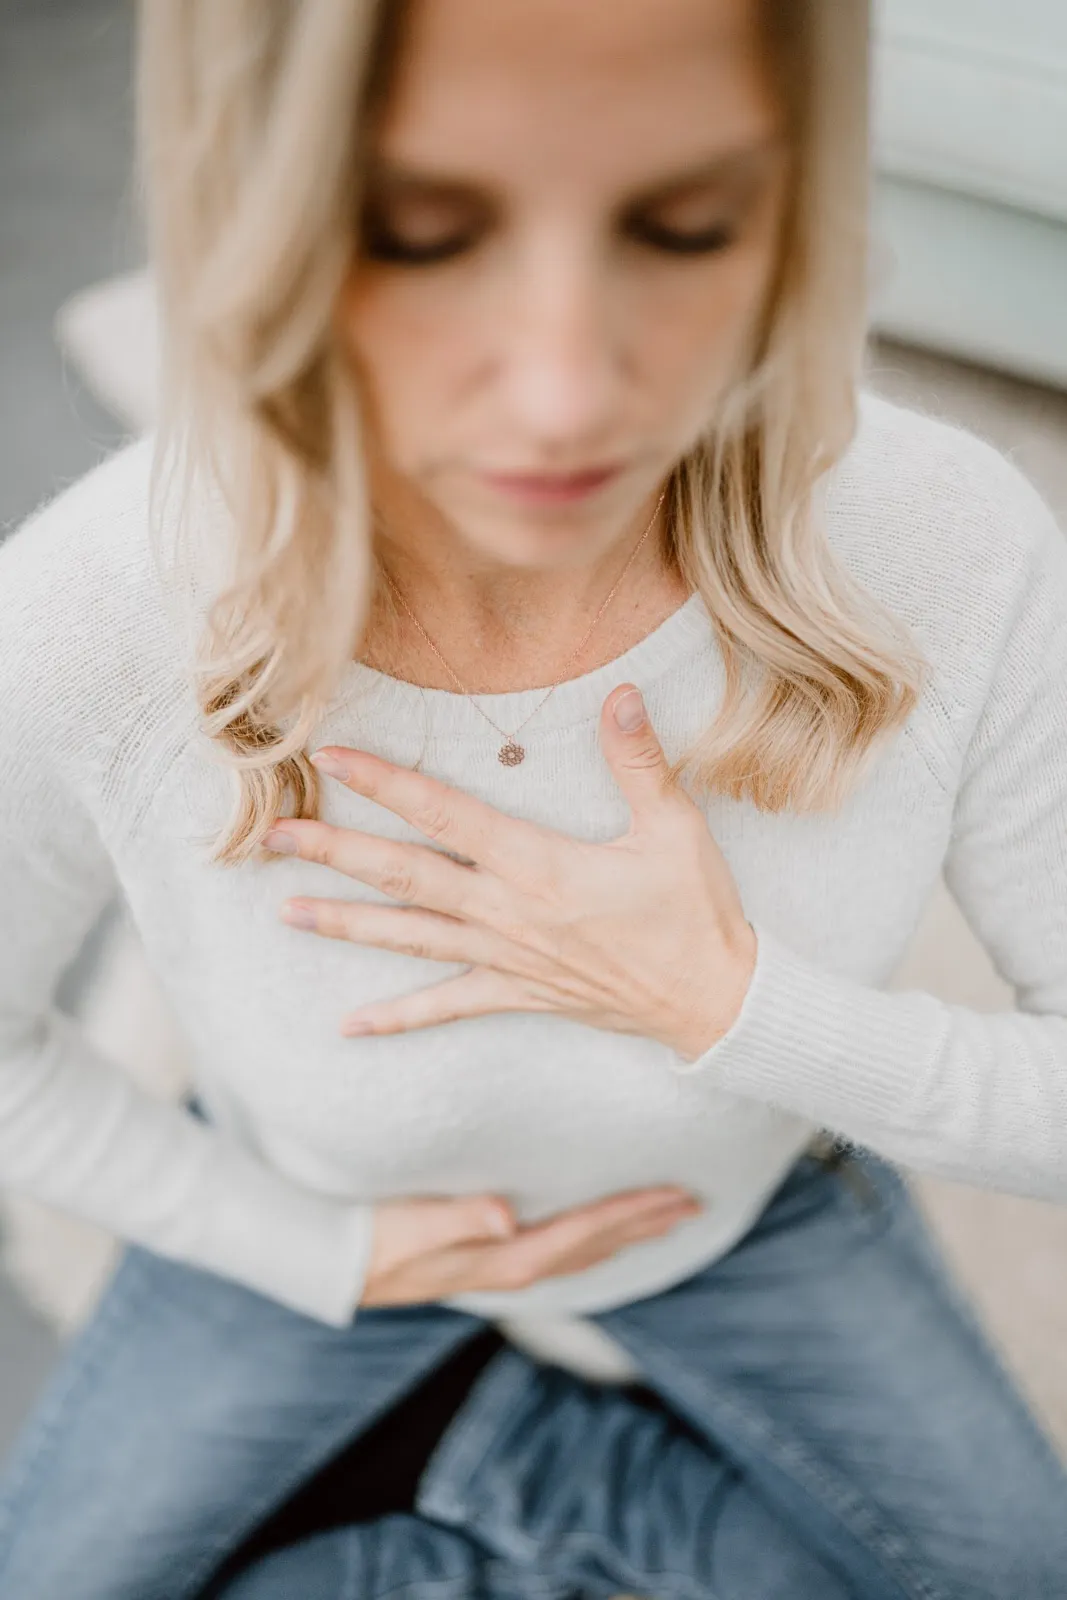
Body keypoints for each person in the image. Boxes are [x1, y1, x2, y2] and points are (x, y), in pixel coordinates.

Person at [0, 0, 1066, 1594]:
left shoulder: (951, 545)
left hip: (746, 1211)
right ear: (259, 218)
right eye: (421, 235)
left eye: (683, 225)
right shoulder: (93, 609)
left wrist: (724, 1001)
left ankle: (528, 1461)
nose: (569, 396)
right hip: (317, 1199)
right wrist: (323, 1255)